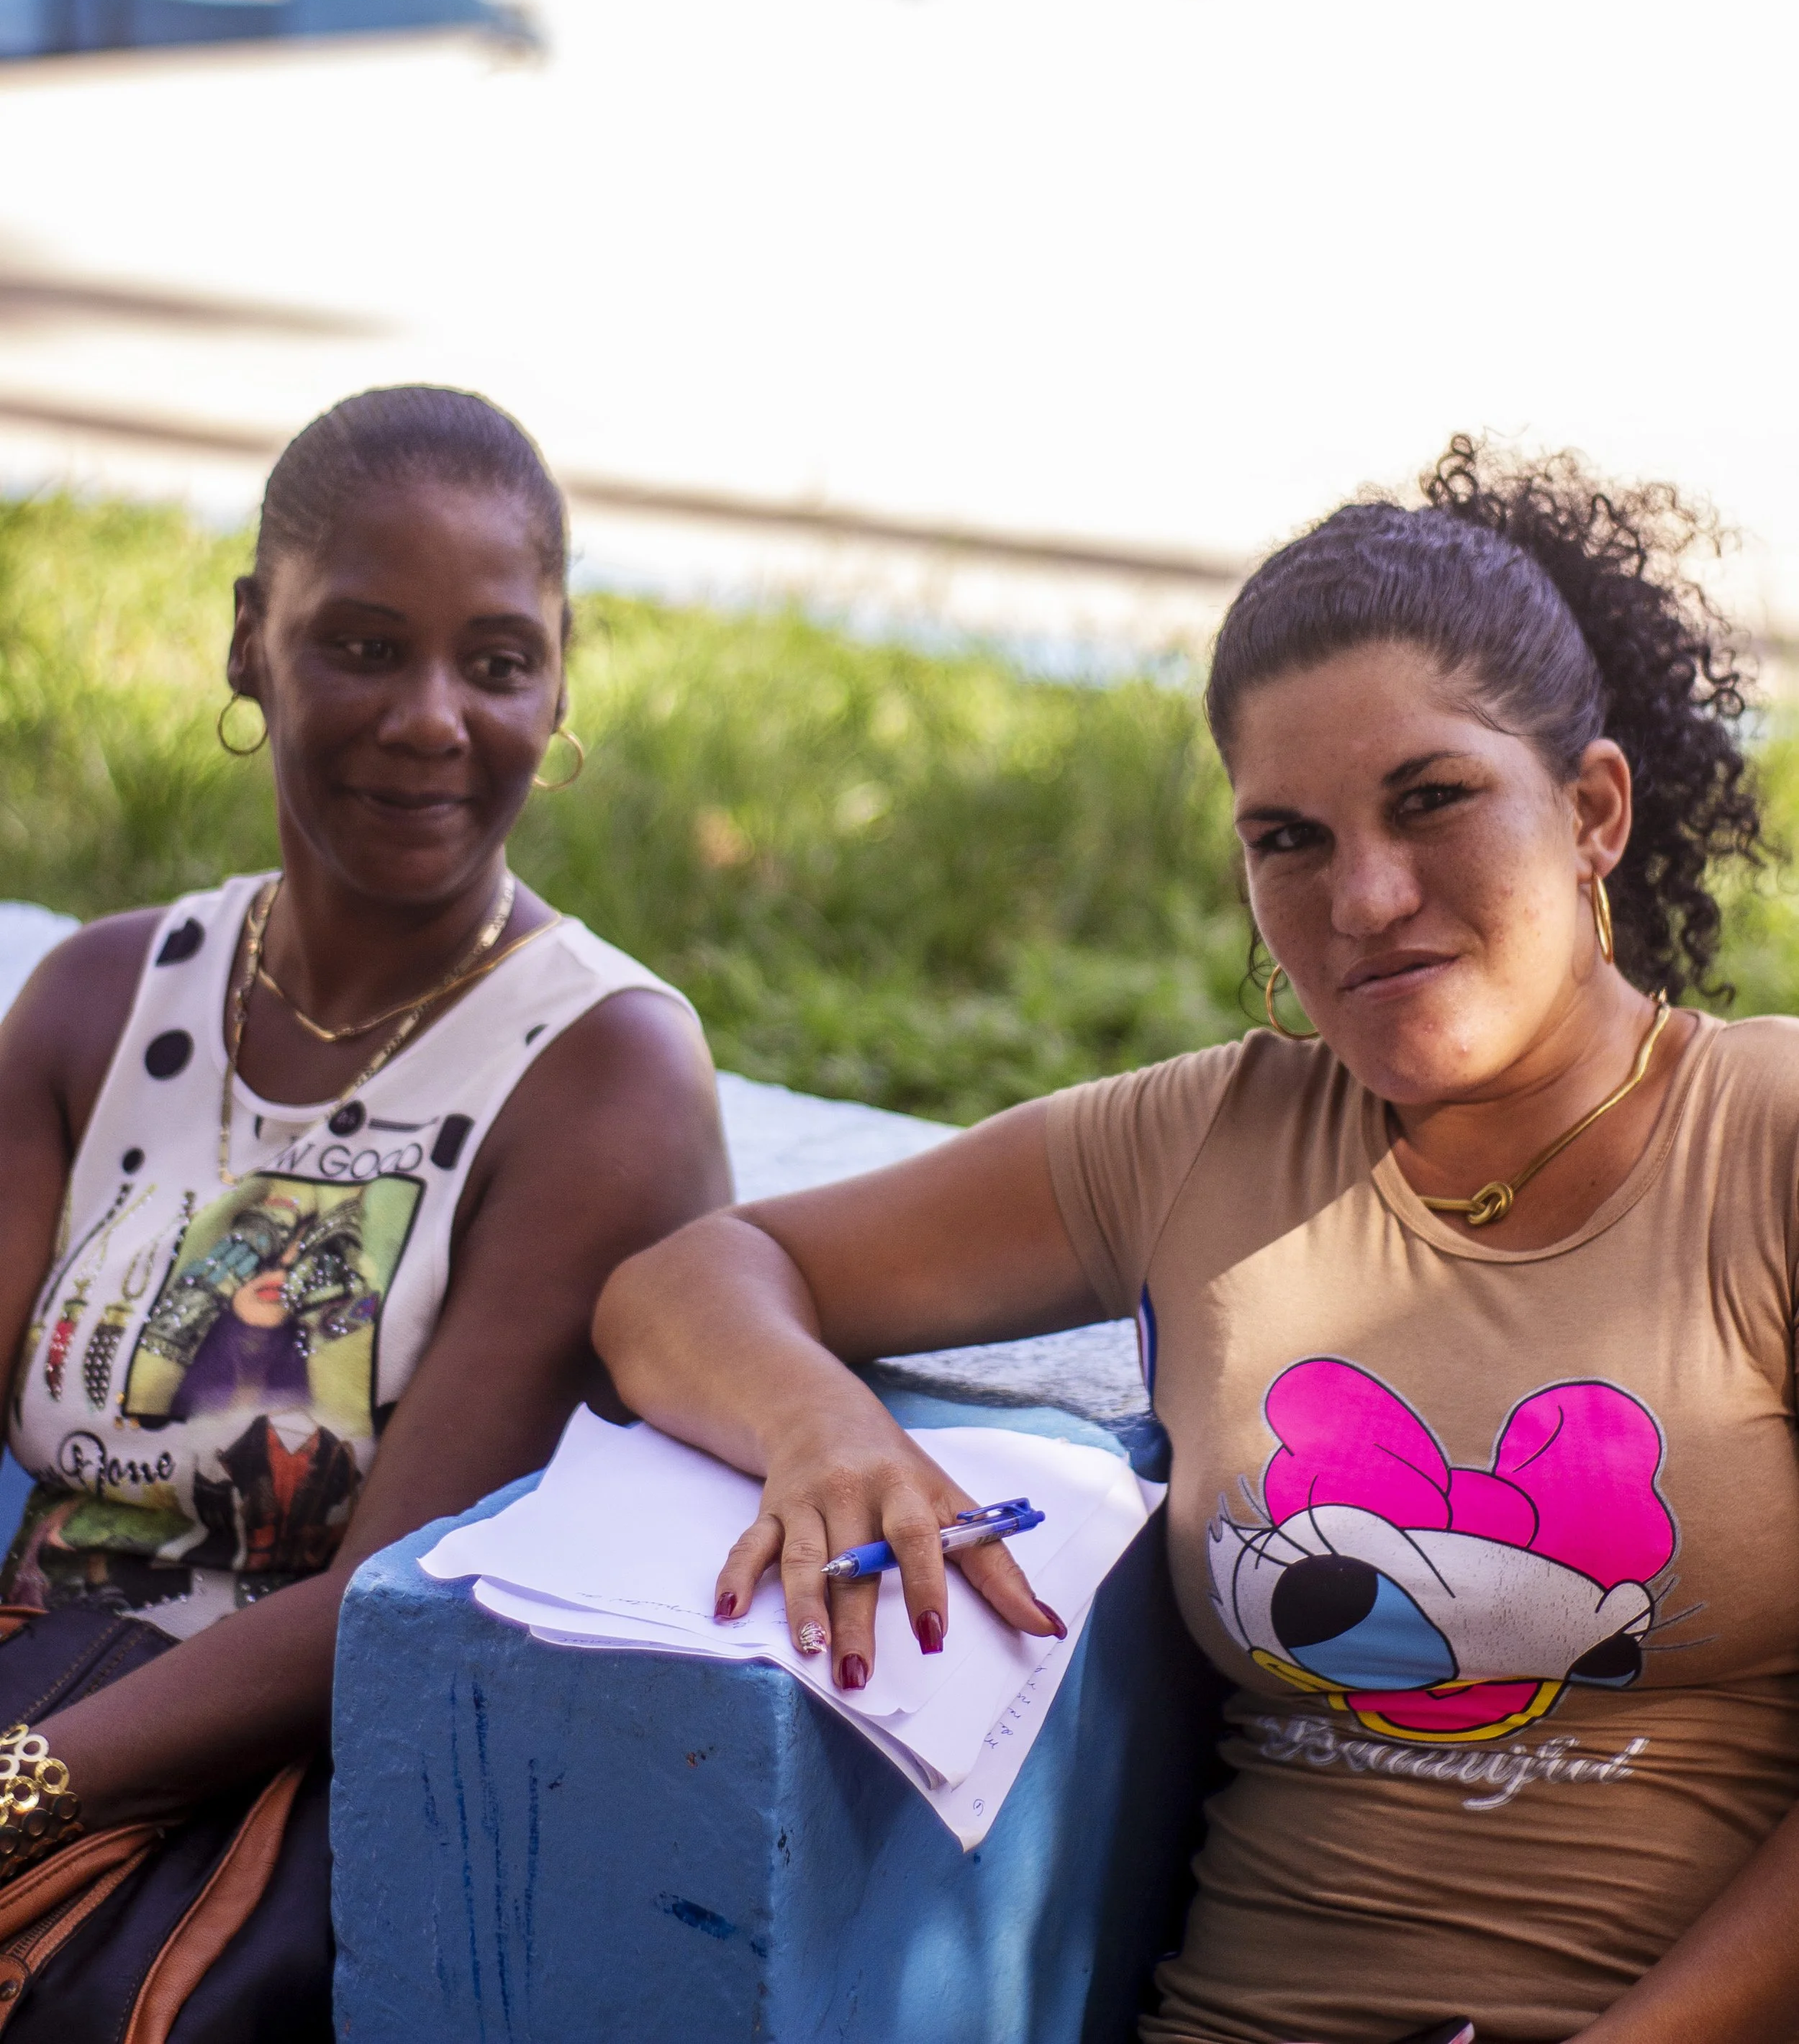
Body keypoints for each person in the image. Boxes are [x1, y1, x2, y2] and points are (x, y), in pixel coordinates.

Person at [597, 438, 1799, 2044]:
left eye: (1431, 800)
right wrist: (824, 1433)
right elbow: (681, 1281)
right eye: (1287, 838)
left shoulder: (1766, 1147)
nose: (1363, 898)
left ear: (1590, 811)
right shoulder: (1198, 1148)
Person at [0, 384, 728, 2032]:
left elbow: (389, 1598)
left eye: (496, 661)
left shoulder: (599, 1074)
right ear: (248, 642)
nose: (429, 719)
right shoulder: (97, 1002)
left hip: (271, 1797)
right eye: (362, 645)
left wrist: (20, 1786)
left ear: (560, 680)